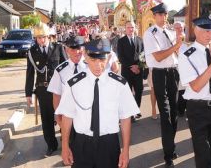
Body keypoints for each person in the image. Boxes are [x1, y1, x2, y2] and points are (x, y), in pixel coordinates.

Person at [56, 38, 140, 168]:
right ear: (85, 56)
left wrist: (126, 151)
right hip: (81, 144)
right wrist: (65, 146)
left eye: (102, 60)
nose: (98, 65)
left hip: (109, 144)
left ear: (109, 58)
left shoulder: (120, 84)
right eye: (93, 60)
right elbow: (67, 116)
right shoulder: (73, 84)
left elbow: (125, 119)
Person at [178, 15, 211, 168]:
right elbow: (196, 86)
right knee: (202, 155)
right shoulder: (187, 54)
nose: (210, 35)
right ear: (196, 30)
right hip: (198, 109)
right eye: (206, 31)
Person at [143, 2, 183, 167]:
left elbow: (178, 53)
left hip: (173, 72)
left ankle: (170, 145)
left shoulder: (171, 31)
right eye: (160, 14)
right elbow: (158, 57)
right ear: (154, 16)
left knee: (174, 113)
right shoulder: (150, 33)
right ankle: (168, 153)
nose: (163, 17)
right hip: (160, 74)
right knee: (166, 114)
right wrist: (176, 46)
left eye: (165, 14)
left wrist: (180, 40)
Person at [25, 23, 67, 157]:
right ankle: (51, 145)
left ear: (48, 36)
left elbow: (66, 67)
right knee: (47, 119)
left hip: (59, 90)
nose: (41, 40)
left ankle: (67, 140)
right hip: (43, 89)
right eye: (38, 38)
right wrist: (28, 94)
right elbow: (30, 73)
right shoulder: (32, 52)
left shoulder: (58, 48)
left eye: (43, 37)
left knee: (63, 115)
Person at [47, 35, 87, 127]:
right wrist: (57, 114)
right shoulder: (60, 70)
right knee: (69, 141)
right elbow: (57, 95)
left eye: (79, 48)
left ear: (83, 49)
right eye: (73, 49)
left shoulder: (91, 66)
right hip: (68, 115)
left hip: (87, 115)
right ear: (66, 50)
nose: (77, 52)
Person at [117, 21, 144, 121]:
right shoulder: (121, 41)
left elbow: (143, 55)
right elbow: (121, 57)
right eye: (128, 27)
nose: (130, 29)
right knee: (128, 93)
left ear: (135, 28)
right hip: (127, 71)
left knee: (139, 90)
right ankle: (130, 113)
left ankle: (136, 109)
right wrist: (131, 67)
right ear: (125, 29)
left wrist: (138, 66)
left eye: (132, 27)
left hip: (138, 71)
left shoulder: (140, 40)